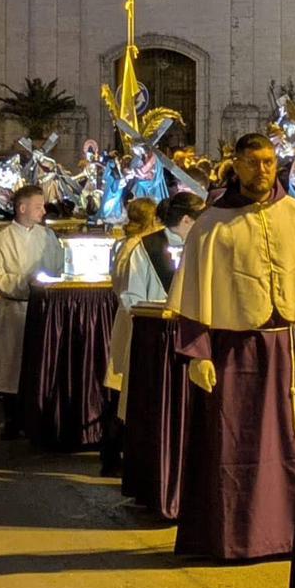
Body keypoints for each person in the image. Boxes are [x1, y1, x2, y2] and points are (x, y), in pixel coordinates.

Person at [166, 133, 295, 560]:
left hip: (289, 353)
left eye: (267, 162)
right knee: (235, 445)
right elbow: (193, 295)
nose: (261, 170)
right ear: (236, 165)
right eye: (251, 162)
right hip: (235, 355)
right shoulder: (210, 225)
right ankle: (237, 537)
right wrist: (197, 353)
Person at [101, 192, 203, 475]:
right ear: (185, 220)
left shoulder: (197, 247)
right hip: (150, 335)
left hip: (184, 336)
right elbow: (130, 295)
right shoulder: (146, 249)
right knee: (138, 399)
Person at [0, 184, 66, 438]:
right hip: (15, 311)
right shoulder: (2, 239)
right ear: (22, 208)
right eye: (38, 206)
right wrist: (26, 283)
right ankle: (12, 419)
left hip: (44, 311)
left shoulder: (48, 236)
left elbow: (60, 266)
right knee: (12, 366)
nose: (43, 211)